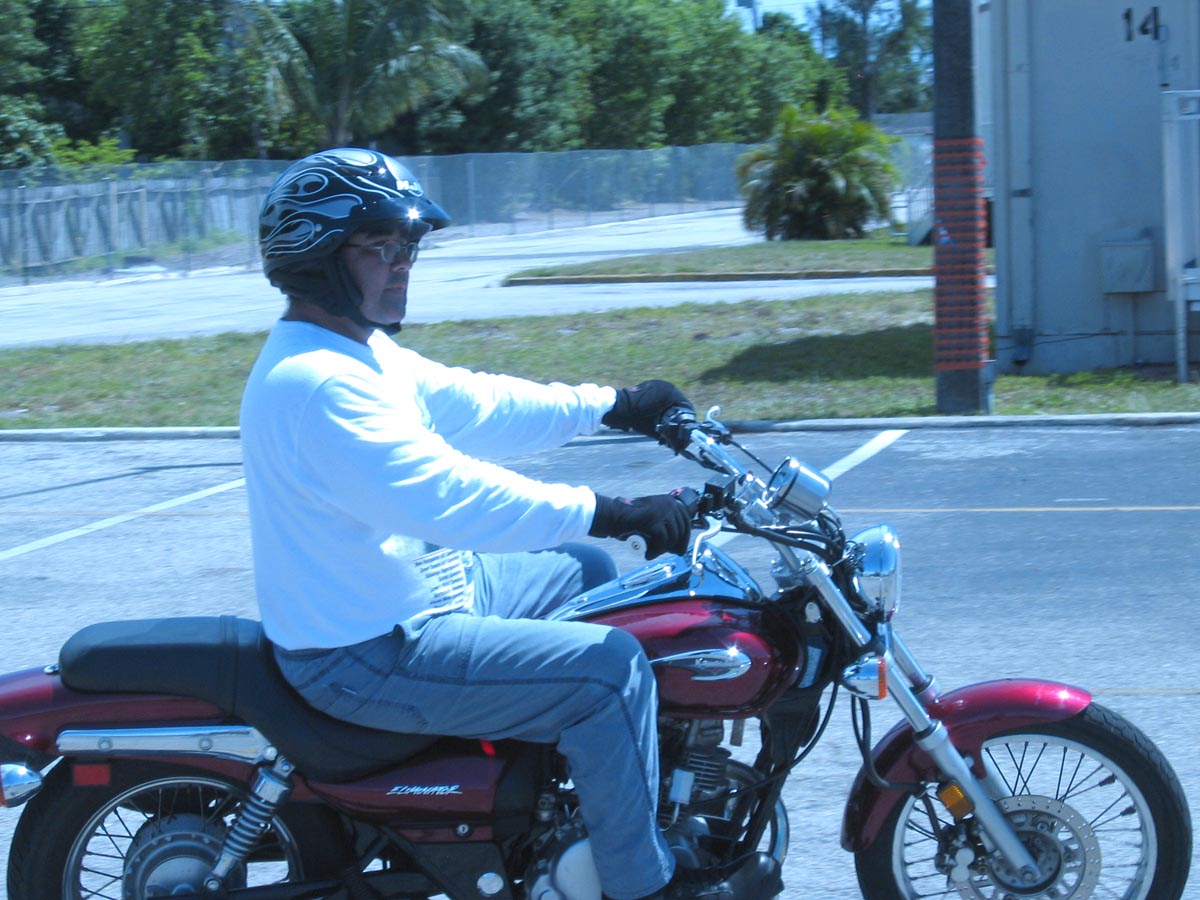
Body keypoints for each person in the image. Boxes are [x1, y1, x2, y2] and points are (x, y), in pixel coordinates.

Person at [241, 148, 773, 900]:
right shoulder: (317, 383)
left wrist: (617, 404)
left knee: (590, 575)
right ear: (319, 257)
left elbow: (479, 403)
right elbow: (453, 498)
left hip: (419, 595)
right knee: (611, 671)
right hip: (368, 652)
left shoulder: (357, 352)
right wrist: (615, 512)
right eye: (381, 246)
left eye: (408, 246)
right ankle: (644, 883)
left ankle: (553, 797)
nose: (403, 264)